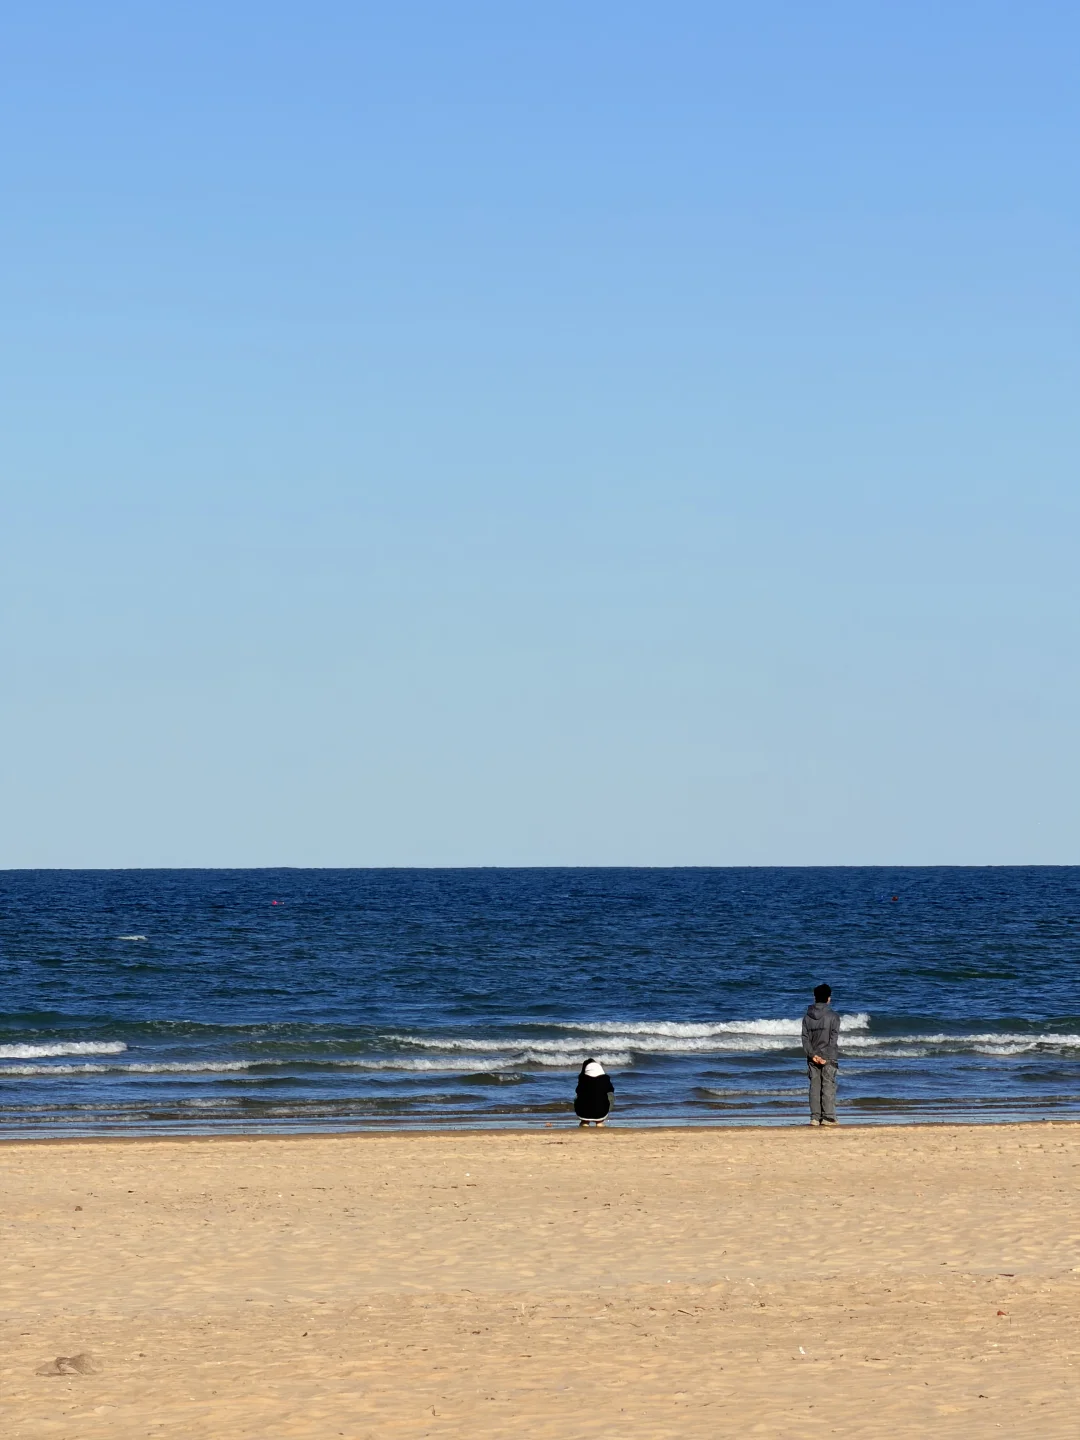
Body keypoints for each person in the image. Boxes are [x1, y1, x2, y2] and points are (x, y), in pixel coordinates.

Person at [801, 983, 840, 1126]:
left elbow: (805, 1039)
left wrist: (812, 1055)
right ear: (828, 999)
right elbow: (833, 1040)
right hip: (828, 1056)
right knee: (828, 1085)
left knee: (815, 1086)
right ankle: (828, 1117)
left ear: (815, 998)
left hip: (812, 1056)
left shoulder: (807, 1017)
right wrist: (824, 1056)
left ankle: (815, 1117)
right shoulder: (834, 1016)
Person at [574, 1058, 614, 1127]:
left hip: (583, 1113)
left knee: (578, 1096)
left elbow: (578, 1091)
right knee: (610, 1095)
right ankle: (599, 1122)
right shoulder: (605, 1079)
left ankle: (584, 1122)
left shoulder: (582, 1079)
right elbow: (611, 1090)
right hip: (601, 1112)